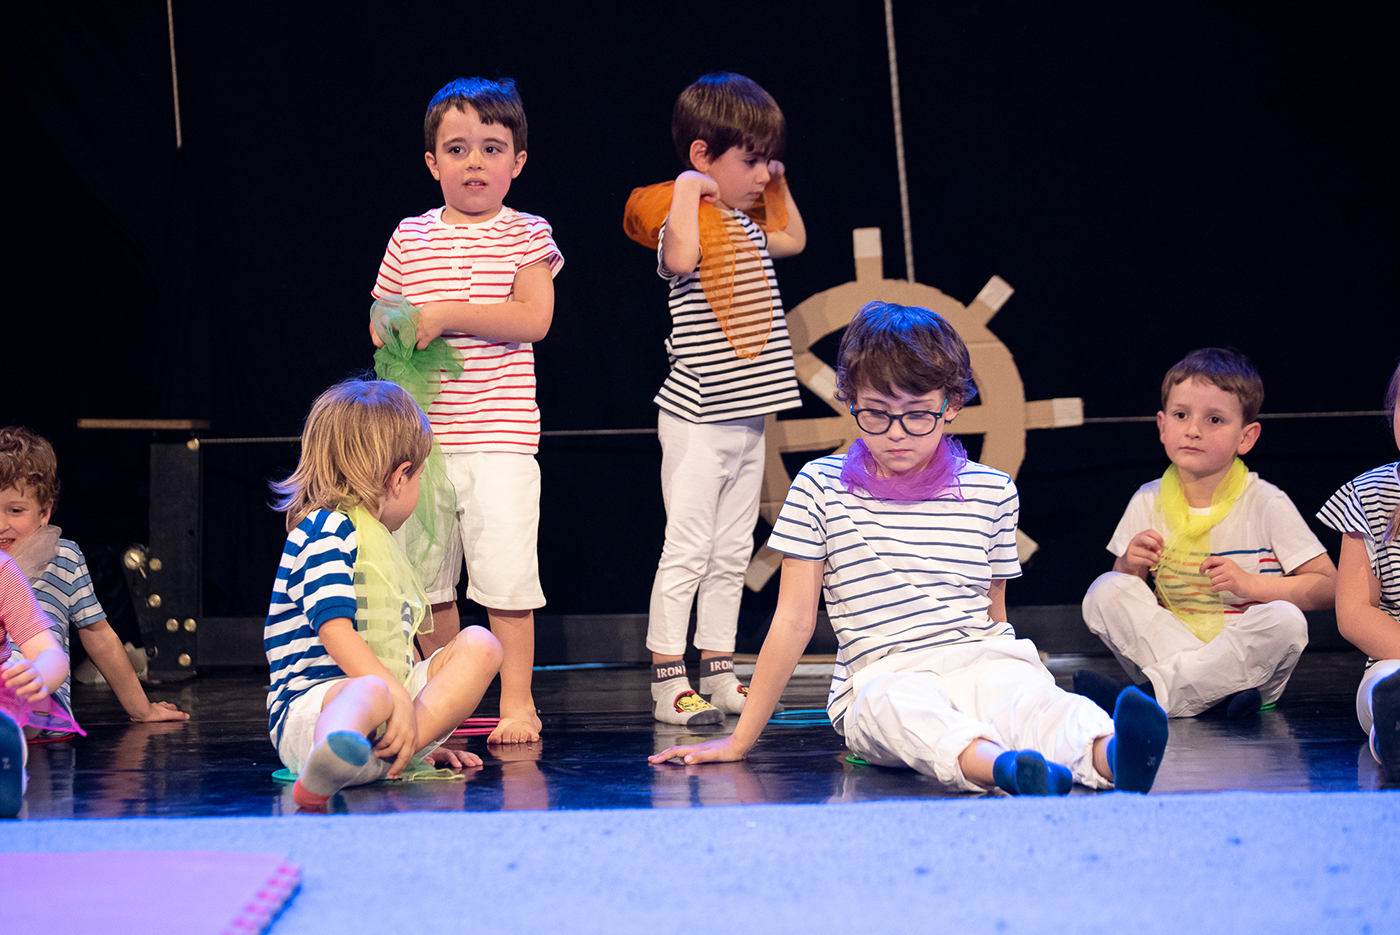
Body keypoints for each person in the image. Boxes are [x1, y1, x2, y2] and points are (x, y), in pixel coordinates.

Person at [651, 302, 1168, 795]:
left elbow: (994, 612)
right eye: (876, 414)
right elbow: (792, 622)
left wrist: (1014, 673)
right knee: (901, 709)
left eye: (918, 414)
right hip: (881, 675)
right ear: (850, 402)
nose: (896, 434)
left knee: (1034, 700)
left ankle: (1111, 753)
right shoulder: (820, 486)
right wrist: (741, 741)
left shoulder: (991, 490)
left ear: (952, 404)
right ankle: (1004, 768)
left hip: (980, 658)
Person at [369, 77, 562, 745]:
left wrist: (447, 313)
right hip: (422, 446)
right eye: (457, 149)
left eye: (491, 148)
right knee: (426, 583)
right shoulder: (410, 235)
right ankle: (445, 702)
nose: (474, 162)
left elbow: (534, 317)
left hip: (499, 439)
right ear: (433, 163)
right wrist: (393, 325)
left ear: (518, 161)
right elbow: (381, 314)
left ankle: (517, 703)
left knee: (506, 580)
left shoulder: (527, 233)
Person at [622, 72, 807, 725]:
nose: (760, 173)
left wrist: (775, 181)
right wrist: (687, 187)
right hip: (698, 416)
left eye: (766, 160)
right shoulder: (692, 220)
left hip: (746, 417)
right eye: (749, 160)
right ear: (703, 155)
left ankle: (720, 670)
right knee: (688, 547)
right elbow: (678, 259)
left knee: (731, 551)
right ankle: (667, 678)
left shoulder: (744, 224)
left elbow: (793, 238)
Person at [265, 379, 503, 810]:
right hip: (312, 706)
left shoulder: (378, 540)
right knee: (371, 690)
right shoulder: (326, 529)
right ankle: (331, 753)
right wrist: (393, 692)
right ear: (399, 477)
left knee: (481, 646)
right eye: (419, 477)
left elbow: (395, 643)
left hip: (382, 699)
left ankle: (404, 746)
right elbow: (334, 629)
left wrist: (416, 721)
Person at [1078, 349, 1337, 719]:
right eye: (1181, 415)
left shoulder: (1266, 502)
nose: (1193, 430)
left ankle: (1153, 696)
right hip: (1177, 653)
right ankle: (1213, 694)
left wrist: (1252, 585)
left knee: (1286, 620)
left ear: (1246, 437)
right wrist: (1130, 564)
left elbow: (1329, 587)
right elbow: (1127, 591)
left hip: (1250, 666)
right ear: (1162, 425)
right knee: (1105, 590)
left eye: (1214, 419)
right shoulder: (1148, 499)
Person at [0, 426, 187, 728]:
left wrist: (142, 709)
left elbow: (99, 637)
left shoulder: (63, 558)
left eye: (15, 510)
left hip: (41, 703)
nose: (1, 524)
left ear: (44, 512)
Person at [1317, 362, 1400, 779]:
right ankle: (1394, 736)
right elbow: (1353, 614)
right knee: (1387, 685)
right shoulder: (1370, 494)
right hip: (1395, 657)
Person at [1, 550, 69, 817]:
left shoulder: (2, 570)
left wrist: (37, 676)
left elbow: (50, 653)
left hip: (6, 690)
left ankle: (6, 765)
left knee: (13, 691)